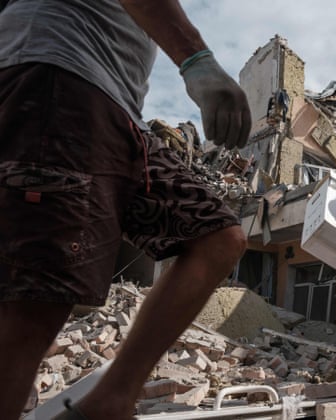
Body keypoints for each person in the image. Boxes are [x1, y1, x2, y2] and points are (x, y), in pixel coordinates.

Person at [0, 1, 251, 419]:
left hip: (118, 112)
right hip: (60, 79)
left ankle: (112, 398)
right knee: (34, 305)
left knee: (218, 237)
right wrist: (196, 60)